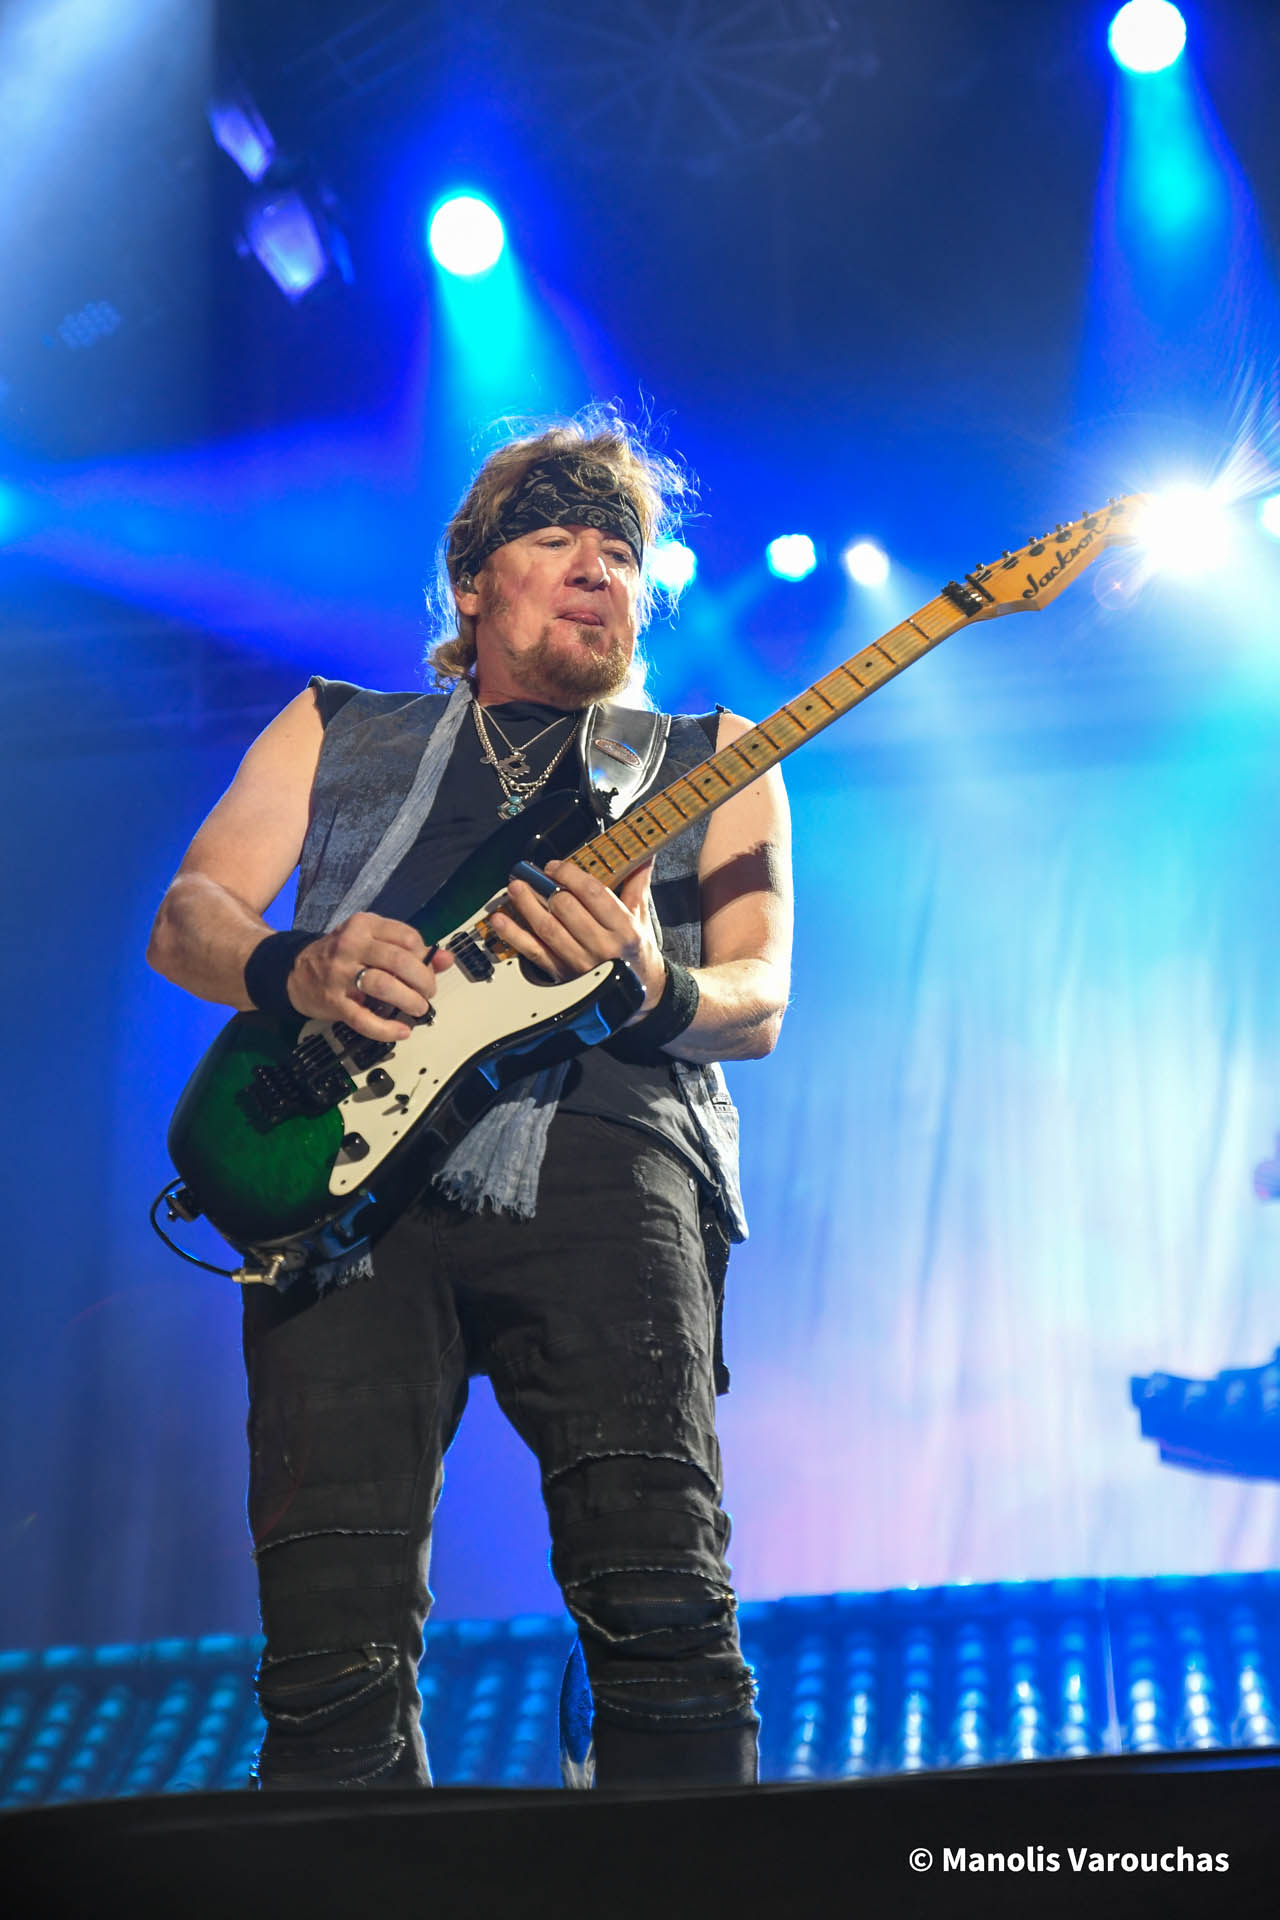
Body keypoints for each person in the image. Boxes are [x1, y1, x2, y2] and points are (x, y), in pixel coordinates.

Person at [147, 410, 793, 1791]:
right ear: (471, 585)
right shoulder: (334, 724)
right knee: (328, 1665)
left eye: (622, 550)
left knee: (662, 1603)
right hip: (333, 1181)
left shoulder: (712, 751)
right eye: (555, 537)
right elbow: (188, 914)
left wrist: (648, 977)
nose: (597, 565)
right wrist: (296, 964)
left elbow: (758, 998)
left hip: (608, 1161)